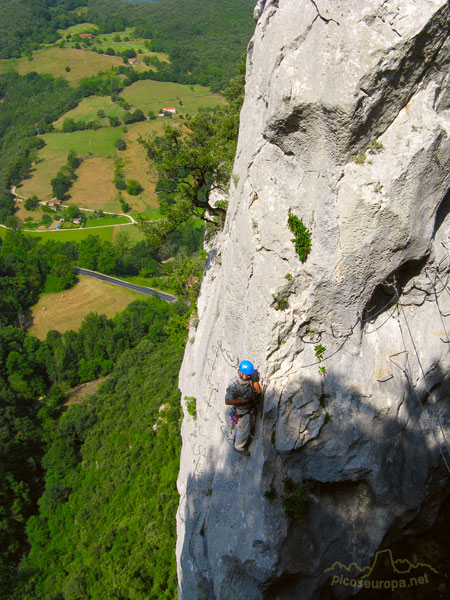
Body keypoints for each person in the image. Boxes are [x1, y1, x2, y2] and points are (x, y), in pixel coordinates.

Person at [225, 360, 261, 456]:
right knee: (243, 429)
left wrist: (257, 390)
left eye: (249, 375)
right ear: (240, 372)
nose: (249, 376)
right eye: (247, 375)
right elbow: (227, 401)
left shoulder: (248, 376)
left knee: (246, 425)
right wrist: (243, 401)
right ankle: (239, 447)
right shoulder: (234, 385)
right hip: (242, 410)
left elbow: (256, 386)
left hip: (249, 405)